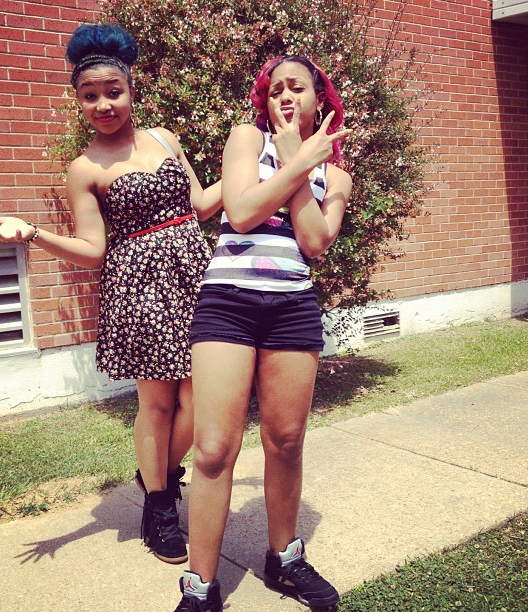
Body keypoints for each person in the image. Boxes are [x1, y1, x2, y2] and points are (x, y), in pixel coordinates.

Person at [0, 23, 222, 565]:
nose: (103, 104)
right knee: (158, 404)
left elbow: (202, 206)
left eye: (113, 91)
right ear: (78, 101)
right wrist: (32, 233)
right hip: (138, 288)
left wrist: (264, 171)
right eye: (90, 96)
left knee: (202, 401)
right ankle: (160, 508)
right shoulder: (83, 168)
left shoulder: (165, 139)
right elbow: (92, 250)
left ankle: (157, 475)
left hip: (194, 276)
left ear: (131, 88)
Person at [174, 56, 353, 611]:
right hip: (227, 304)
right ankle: (201, 586)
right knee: (212, 450)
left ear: (319, 99)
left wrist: (303, 161)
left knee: (286, 441)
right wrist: (297, 162)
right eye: (275, 90)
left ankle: (285, 559)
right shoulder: (246, 140)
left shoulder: (337, 176)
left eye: (297, 87)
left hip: (292, 307)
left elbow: (315, 241)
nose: (285, 96)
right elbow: (242, 211)